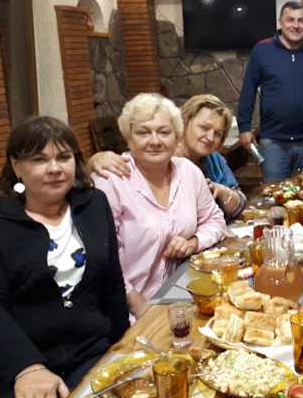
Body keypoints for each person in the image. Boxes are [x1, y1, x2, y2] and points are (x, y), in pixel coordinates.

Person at [0, 117, 129, 398]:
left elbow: (112, 284)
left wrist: (124, 343)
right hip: (14, 366)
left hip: (89, 353)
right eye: (39, 160)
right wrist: (27, 368)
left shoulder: (94, 204)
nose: (54, 169)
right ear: (16, 166)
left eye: (63, 157)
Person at [93, 93, 227, 319]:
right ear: (128, 138)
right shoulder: (110, 182)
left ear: (177, 137)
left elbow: (215, 220)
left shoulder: (189, 172)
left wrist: (193, 242)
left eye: (164, 132)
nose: (155, 141)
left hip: (181, 295)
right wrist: (136, 304)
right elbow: (103, 257)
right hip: (127, 309)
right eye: (143, 132)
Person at [89, 94, 247, 220]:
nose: (210, 137)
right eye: (204, 128)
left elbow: (240, 203)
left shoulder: (213, 159)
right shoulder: (161, 158)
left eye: (218, 133)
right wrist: (94, 161)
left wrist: (224, 192)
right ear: (184, 122)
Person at [237, 0, 303, 182]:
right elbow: (248, 90)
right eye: (290, 20)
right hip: (273, 143)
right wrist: (244, 127)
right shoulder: (262, 50)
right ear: (280, 22)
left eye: (301, 20)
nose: (295, 25)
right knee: (275, 196)